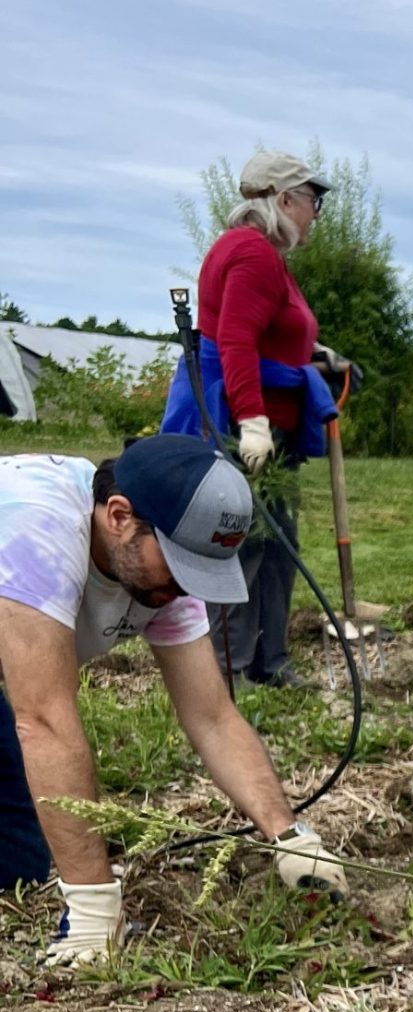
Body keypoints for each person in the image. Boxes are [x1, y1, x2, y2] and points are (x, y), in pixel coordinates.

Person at [0, 434, 348, 965]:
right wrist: (94, 907)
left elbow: (212, 717)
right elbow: (45, 720)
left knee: (16, 861)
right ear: (119, 516)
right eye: (181, 564)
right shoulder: (36, 530)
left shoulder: (161, 575)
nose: (188, 587)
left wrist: (290, 835)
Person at [162, 149, 346, 687]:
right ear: (284, 200)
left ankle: (271, 660)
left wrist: (317, 356)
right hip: (247, 426)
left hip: (269, 423)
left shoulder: (261, 254)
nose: (315, 214)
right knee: (243, 545)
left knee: (277, 548)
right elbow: (237, 342)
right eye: (312, 202)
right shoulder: (251, 254)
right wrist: (254, 424)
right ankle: (231, 669)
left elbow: (267, 331)